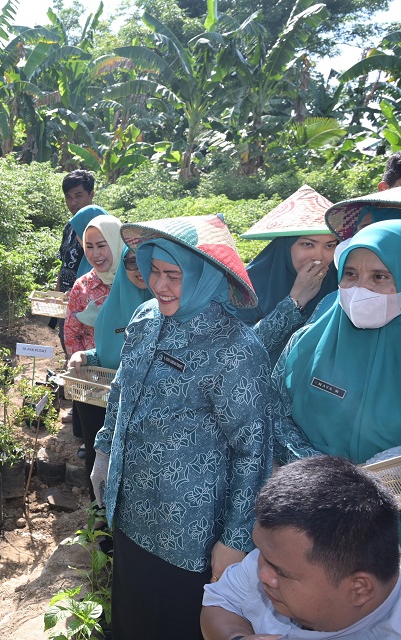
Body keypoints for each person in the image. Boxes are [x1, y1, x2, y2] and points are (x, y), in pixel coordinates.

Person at [91, 215, 274, 639]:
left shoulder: (234, 349)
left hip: (189, 531)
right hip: (132, 508)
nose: (160, 285)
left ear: (203, 277)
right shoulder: (145, 318)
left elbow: (253, 450)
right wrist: (103, 450)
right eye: (154, 271)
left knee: (176, 622)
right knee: (132, 616)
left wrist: (235, 539)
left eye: (174, 275)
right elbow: (122, 389)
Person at [201, 455, 401, 639]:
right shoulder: (279, 555)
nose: (263, 575)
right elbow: (221, 601)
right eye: (260, 551)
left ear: (359, 589)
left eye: (281, 573)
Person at [273, 219, 401, 466]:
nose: (360, 289)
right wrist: (321, 469)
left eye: (379, 276)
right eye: (350, 274)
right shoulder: (306, 342)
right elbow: (276, 413)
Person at [235, 186, 339, 363]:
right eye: (308, 244)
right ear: (285, 245)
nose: (319, 257)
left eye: (330, 246)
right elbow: (239, 352)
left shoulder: (343, 280)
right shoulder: (246, 286)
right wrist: (296, 301)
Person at [63, 214, 124, 498]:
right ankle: (96, 509)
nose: (96, 254)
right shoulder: (83, 286)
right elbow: (71, 331)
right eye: (89, 246)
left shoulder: (134, 280)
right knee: (94, 447)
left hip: (127, 383)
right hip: (92, 385)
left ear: (117, 243)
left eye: (102, 245)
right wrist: (79, 361)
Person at [55, 170, 96, 359]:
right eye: (68, 197)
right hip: (66, 300)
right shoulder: (70, 226)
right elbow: (64, 263)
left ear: (91, 194)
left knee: (86, 347)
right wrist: (57, 294)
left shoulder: (98, 228)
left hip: (87, 303)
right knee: (67, 340)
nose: (73, 202)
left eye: (78, 196)